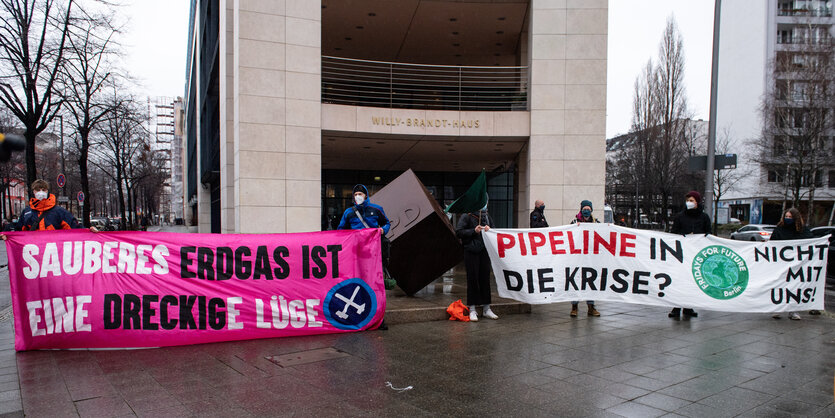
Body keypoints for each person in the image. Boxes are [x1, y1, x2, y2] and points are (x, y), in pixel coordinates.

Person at [337, 184, 391, 329]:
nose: (357, 196)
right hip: (356, 254)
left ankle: (379, 318)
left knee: (376, 284)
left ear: (366, 196)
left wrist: (382, 230)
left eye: (360, 194)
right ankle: (360, 316)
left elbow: (387, 223)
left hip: (374, 254)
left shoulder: (376, 209)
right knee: (358, 284)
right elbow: (340, 230)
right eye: (355, 194)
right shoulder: (348, 212)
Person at [0, 179, 97, 240]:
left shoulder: (59, 212)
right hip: (34, 257)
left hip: (54, 257)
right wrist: (7, 235)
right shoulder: (27, 212)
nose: (41, 192)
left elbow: (74, 227)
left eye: (44, 189)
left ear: (47, 191)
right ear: (33, 192)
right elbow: (18, 231)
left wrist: (88, 231)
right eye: (38, 190)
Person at [668, 190, 711, 319]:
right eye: (688, 201)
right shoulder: (680, 217)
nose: (689, 203)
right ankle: (676, 307)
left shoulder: (704, 217)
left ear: (697, 202)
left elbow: (709, 234)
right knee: (680, 280)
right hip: (682, 254)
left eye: (691, 201)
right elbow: (674, 233)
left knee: (691, 281)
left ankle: (688, 307)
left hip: (696, 254)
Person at [456, 204, 498, 322]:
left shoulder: (487, 217)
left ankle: (486, 308)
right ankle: (472, 309)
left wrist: (490, 230)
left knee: (485, 278)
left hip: (484, 251)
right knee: (472, 279)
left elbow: (494, 231)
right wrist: (473, 231)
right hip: (471, 251)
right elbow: (459, 232)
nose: (485, 205)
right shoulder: (467, 215)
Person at [770, 208, 811, 321]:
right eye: (786, 216)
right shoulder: (779, 229)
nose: (787, 219)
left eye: (790, 217)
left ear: (796, 218)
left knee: (794, 287)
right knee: (781, 285)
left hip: (797, 264)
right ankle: (778, 309)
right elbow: (773, 243)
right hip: (781, 263)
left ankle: (793, 310)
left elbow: (810, 242)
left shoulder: (803, 230)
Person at [569, 200, 601, 317]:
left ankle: (591, 307)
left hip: (591, 258)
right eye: (584, 209)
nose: (586, 210)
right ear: (581, 210)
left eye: (588, 208)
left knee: (591, 282)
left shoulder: (597, 223)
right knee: (576, 281)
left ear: (591, 210)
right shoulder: (574, 222)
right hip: (578, 257)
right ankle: (574, 307)